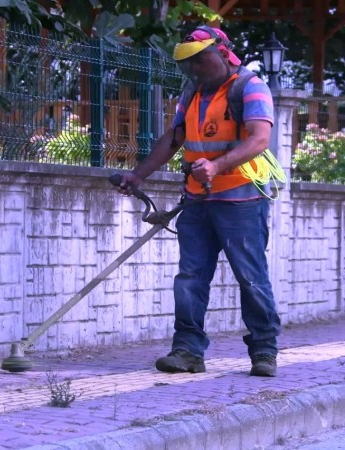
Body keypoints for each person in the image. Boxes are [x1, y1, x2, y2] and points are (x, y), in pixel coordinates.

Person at [115, 26, 281, 377]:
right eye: (189, 63)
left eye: (201, 60)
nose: (195, 69)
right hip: (198, 201)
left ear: (222, 52)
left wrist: (218, 165)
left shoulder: (250, 87)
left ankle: (264, 351)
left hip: (242, 201)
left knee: (250, 278)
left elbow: (260, 139)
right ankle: (188, 351)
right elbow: (174, 139)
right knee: (190, 278)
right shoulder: (191, 93)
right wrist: (139, 174)